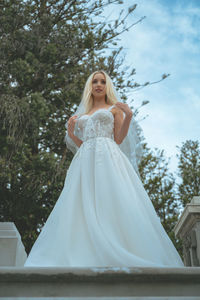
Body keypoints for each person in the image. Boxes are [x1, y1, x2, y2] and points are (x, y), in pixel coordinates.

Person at [24, 70, 184, 268]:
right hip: (85, 160)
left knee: (110, 197)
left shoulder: (114, 109)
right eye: (94, 82)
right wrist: (70, 130)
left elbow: (118, 139)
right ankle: (83, 249)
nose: (98, 84)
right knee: (82, 200)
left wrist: (129, 115)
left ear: (107, 86)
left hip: (107, 156)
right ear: (89, 87)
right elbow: (80, 143)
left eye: (102, 81)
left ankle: (116, 244)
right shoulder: (82, 114)